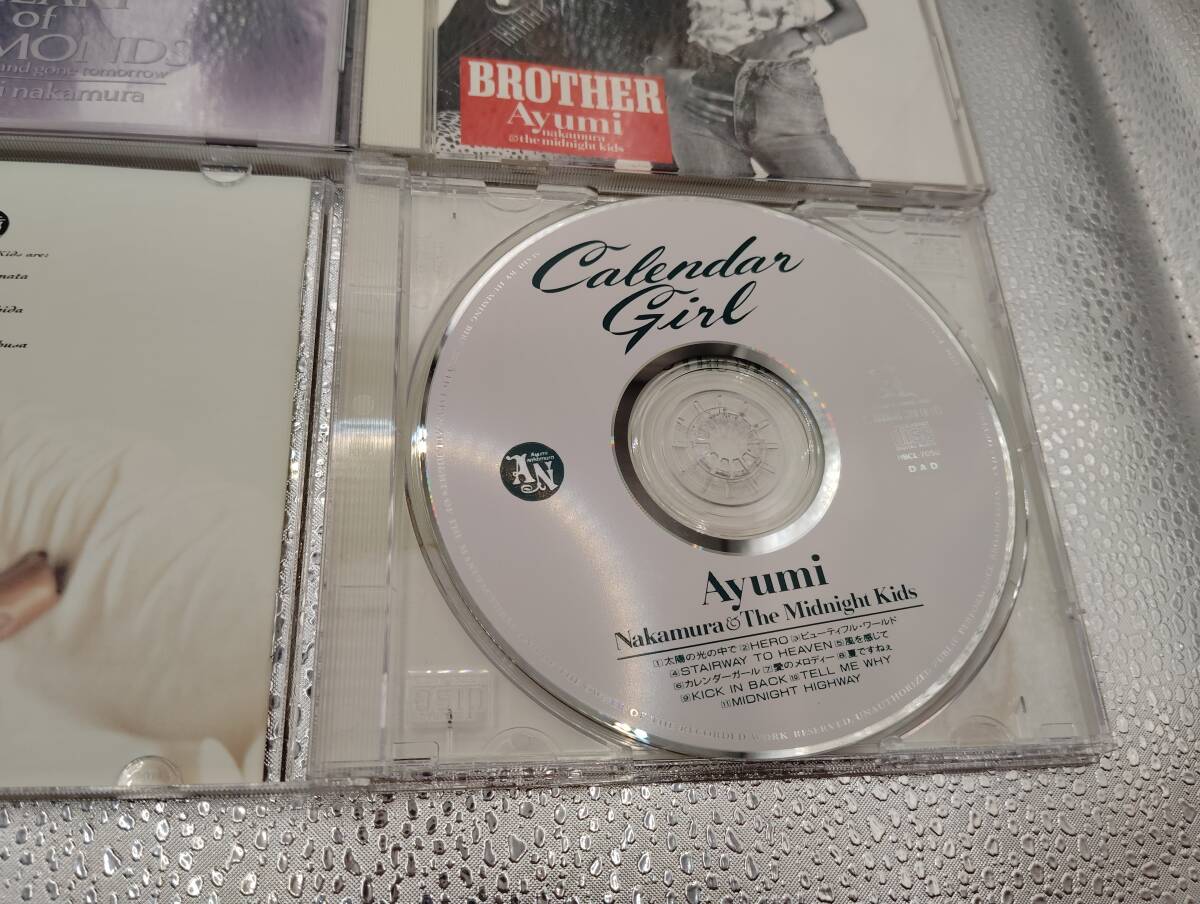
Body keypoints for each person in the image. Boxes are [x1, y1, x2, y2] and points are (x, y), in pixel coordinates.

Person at [665, 0, 867, 180]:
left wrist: (800, 37)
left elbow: (852, 15)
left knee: (839, 204)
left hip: (782, 97)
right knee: (715, 209)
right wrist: (668, 77)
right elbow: (656, 18)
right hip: (701, 99)